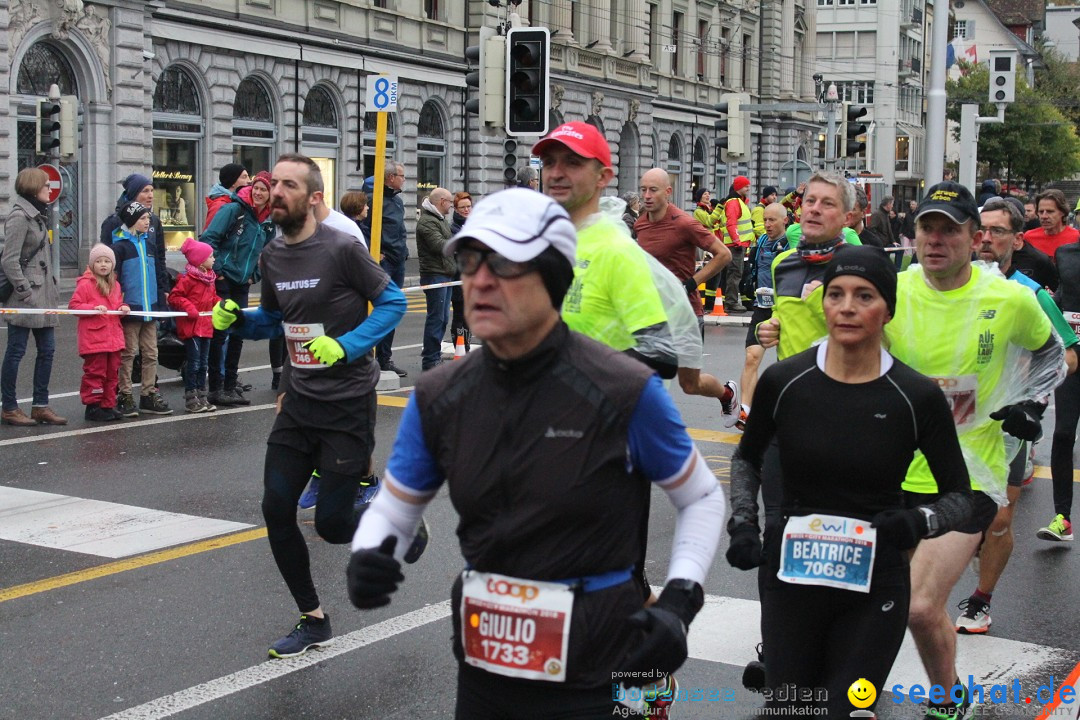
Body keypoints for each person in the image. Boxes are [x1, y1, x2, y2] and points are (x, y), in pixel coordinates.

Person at [345, 188, 724, 717]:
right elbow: (397, 503)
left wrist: (681, 601)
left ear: (552, 277)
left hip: (598, 659)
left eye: (502, 263)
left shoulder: (622, 389)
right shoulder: (440, 394)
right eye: (471, 261)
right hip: (486, 660)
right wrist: (371, 551)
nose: (478, 280)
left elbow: (702, 496)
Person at [728, 246, 975, 717]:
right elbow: (746, 460)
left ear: (887, 310)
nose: (846, 307)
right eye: (836, 294)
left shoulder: (915, 395)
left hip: (874, 585)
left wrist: (918, 522)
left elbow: (963, 499)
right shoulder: (785, 381)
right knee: (790, 711)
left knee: (844, 710)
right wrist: (744, 523)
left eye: (864, 296)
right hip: (791, 578)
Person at [210, 153, 409, 658]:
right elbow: (277, 320)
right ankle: (312, 618)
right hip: (298, 404)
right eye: (272, 183)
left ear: (314, 197)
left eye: (288, 185)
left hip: (346, 404)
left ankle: (393, 519)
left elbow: (393, 303)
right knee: (275, 508)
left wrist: (348, 346)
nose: (275, 192)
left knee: (332, 526)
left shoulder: (343, 249)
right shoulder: (272, 256)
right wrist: (239, 319)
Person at [952, 197, 1079, 635]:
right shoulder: (947, 284)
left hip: (1006, 422)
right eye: (981, 230)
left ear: (1016, 239)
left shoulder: (1029, 293)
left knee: (1001, 519)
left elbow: (1069, 355)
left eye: (998, 231)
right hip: (951, 416)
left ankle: (979, 602)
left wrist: (1030, 397)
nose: (987, 239)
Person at [635, 167, 740, 421]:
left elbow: (723, 254)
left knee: (689, 384)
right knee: (644, 375)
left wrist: (690, 284)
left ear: (668, 192)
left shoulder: (684, 222)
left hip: (686, 313)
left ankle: (727, 394)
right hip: (653, 314)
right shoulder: (640, 223)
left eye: (653, 190)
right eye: (643, 190)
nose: (647, 195)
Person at [1, 168, 66, 426]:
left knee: (47, 350)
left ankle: (40, 404)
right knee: (16, 351)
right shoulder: (20, 217)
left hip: (44, 296)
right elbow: (9, 260)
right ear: (33, 187)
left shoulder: (38, 215)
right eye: (46, 186)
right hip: (26, 298)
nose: (49, 190)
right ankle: (9, 406)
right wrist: (24, 290)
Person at [202, 171, 273, 407]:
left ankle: (231, 386)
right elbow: (209, 238)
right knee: (220, 333)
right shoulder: (234, 210)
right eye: (257, 188)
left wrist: (255, 275)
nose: (259, 192)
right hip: (224, 280)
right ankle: (216, 388)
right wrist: (219, 270)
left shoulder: (268, 221)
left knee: (238, 334)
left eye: (264, 189)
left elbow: (270, 254)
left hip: (243, 282)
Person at [110, 201, 173, 417]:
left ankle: (148, 393)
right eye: (143, 218)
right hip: (131, 308)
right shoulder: (120, 248)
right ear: (131, 221)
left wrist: (161, 304)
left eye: (148, 218)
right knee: (128, 353)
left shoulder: (150, 246)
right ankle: (125, 393)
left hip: (150, 308)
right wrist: (119, 302)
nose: (148, 222)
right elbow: (114, 280)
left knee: (151, 352)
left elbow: (158, 273)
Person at [737, 203, 788, 429]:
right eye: (765, 219)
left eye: (772, 220)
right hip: (762, 307)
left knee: (785, 364)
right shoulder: (761, 242)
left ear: (784, 221)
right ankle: (746, 412)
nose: (767, 224)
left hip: (785, 310)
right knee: (751, 357)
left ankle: (785, 415)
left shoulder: (790, 244)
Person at [69, 243, 129, 422]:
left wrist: (123, 307)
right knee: (96, 372)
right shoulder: (86, 284)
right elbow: (74, 306)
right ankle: (93, 406)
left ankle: (108, 404)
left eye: (107, 261)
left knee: (112, 372)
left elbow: (116, 304)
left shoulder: (115, 285)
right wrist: (93, 308)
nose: (103, 265)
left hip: (113, 337)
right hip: (94, 338)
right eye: (99, 261)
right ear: (92, 264)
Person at [1046, 237, 1080, 543]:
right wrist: (1051, 303)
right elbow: (1062, 294)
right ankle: (1062, 518)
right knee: (1062, 434)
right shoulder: (1066, 253)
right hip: (1074, 358)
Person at [361, 163, 409, 378]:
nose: (404, 179)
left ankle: (385, 358)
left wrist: (405, 250)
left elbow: (400, 229)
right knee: (379, 310)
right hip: (384, 261)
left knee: (392, 311)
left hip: (397, 260)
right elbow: (363, 226)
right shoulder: (374, 200)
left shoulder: (397, 201)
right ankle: (370, 357)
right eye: (401, 176)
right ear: (390, 178)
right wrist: (375, 251)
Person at [168, 238, 220, 413]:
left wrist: (221, 305)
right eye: (211, 256)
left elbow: (212, 299)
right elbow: (175, 297)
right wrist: (189, 307)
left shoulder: (210, 280)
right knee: (194, 363)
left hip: (206, 326)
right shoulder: (187, 279)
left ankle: (201, 395)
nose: (214, 259)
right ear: (200, 260)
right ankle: (191, 398)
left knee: (204, 364)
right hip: (192, 327)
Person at [416, 187, 455, 371]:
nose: (451, 206)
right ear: (441, 202)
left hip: (444, 272)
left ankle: (434, 355)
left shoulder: (439, 219)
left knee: (443, 318)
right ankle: (430, 358)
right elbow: (439, 244)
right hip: (434, 274)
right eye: (450, 202)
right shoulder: (427, 222)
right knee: (436, 318)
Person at [715, 176, 755, 314]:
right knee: (735, 273)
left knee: (735, 273)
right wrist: (737, 240)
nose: (748, 188)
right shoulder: (734, 202)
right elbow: (731, 223)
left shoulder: (737, 201)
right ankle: (731, 303)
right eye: (745, 186)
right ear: (738, 187)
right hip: (736, 244)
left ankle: (730, 301)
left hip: (737, 243)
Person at [1025, 189, 1080, 259]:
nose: (1044, 216)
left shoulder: (1076, 237)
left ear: (1063, 212)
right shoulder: (1029, 237)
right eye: (1041, 212)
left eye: (1050, 211)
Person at [448, 192, 472, 351]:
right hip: (458, 275)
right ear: (455, 209)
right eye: (462, 207)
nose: (466, 210)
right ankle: (460, 346)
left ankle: (466, 345)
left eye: (469, 206)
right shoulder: (453, 227)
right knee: (459, 312)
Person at [204, 163, 250, 230]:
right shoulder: (220, 205)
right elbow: (208, 237)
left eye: (248, 176)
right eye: (244, 177)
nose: (249, 181)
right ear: (233, 182)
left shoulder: (237, 202)